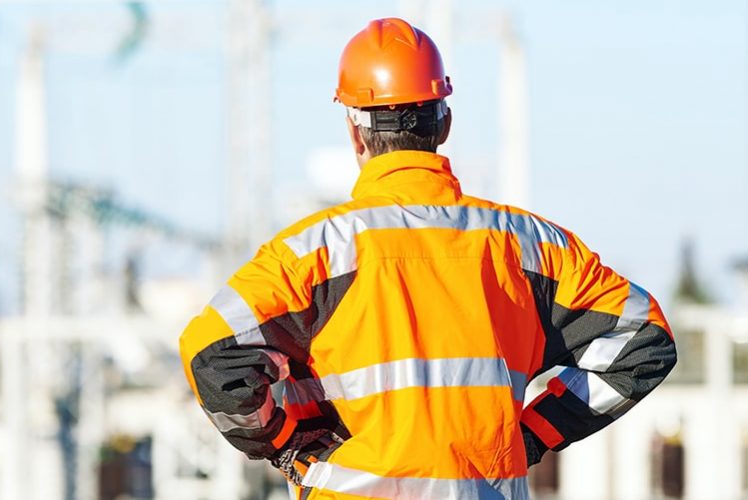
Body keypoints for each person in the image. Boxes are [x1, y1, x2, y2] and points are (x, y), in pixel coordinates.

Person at [179, 17, 676, 500]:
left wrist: (289, 443)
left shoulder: (312, 254)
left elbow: (210, 353)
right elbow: (643, 337)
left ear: (356, 134)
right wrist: (532, 435)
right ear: (445, 121)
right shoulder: (530, 246)